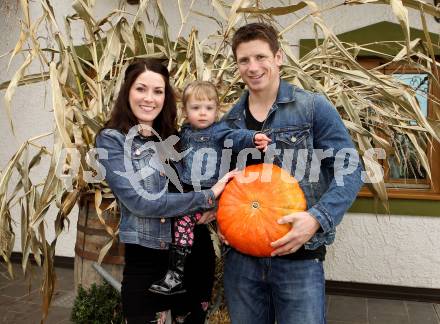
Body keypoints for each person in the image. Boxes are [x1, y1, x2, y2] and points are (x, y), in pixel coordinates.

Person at [219, 23, 364, 324]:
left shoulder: (312, 108)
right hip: (241, 260)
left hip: (300, 257)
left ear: (278, 57)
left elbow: (350, 169)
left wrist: (316, 219)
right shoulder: (230, 122)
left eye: (260, 57)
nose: (253, 67)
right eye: (244, 60)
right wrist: (217, 214)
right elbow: (222, 181)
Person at [95, 59, 236, 323]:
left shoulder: (177, 135)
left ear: (166, 97)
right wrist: (205, 198)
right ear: (127, 91)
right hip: (147, 260)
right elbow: (140, 202)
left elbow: (213, 174)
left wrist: (218, 207)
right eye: (141, 89)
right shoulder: (112, 140)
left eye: (158, 91)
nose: (149, 98)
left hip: (195, 255)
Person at [149, 80, 270, 296]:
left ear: (217, 110)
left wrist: (253, 138)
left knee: (192, 224)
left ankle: (177, 276)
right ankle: (178, 276)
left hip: (214, 190)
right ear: (185, 111)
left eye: (209, 108)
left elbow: (236, 137)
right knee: (182, 225)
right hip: (192, 192)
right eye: (196, 108)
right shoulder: (185, 131)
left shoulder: (219, 131)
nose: (203, 113)